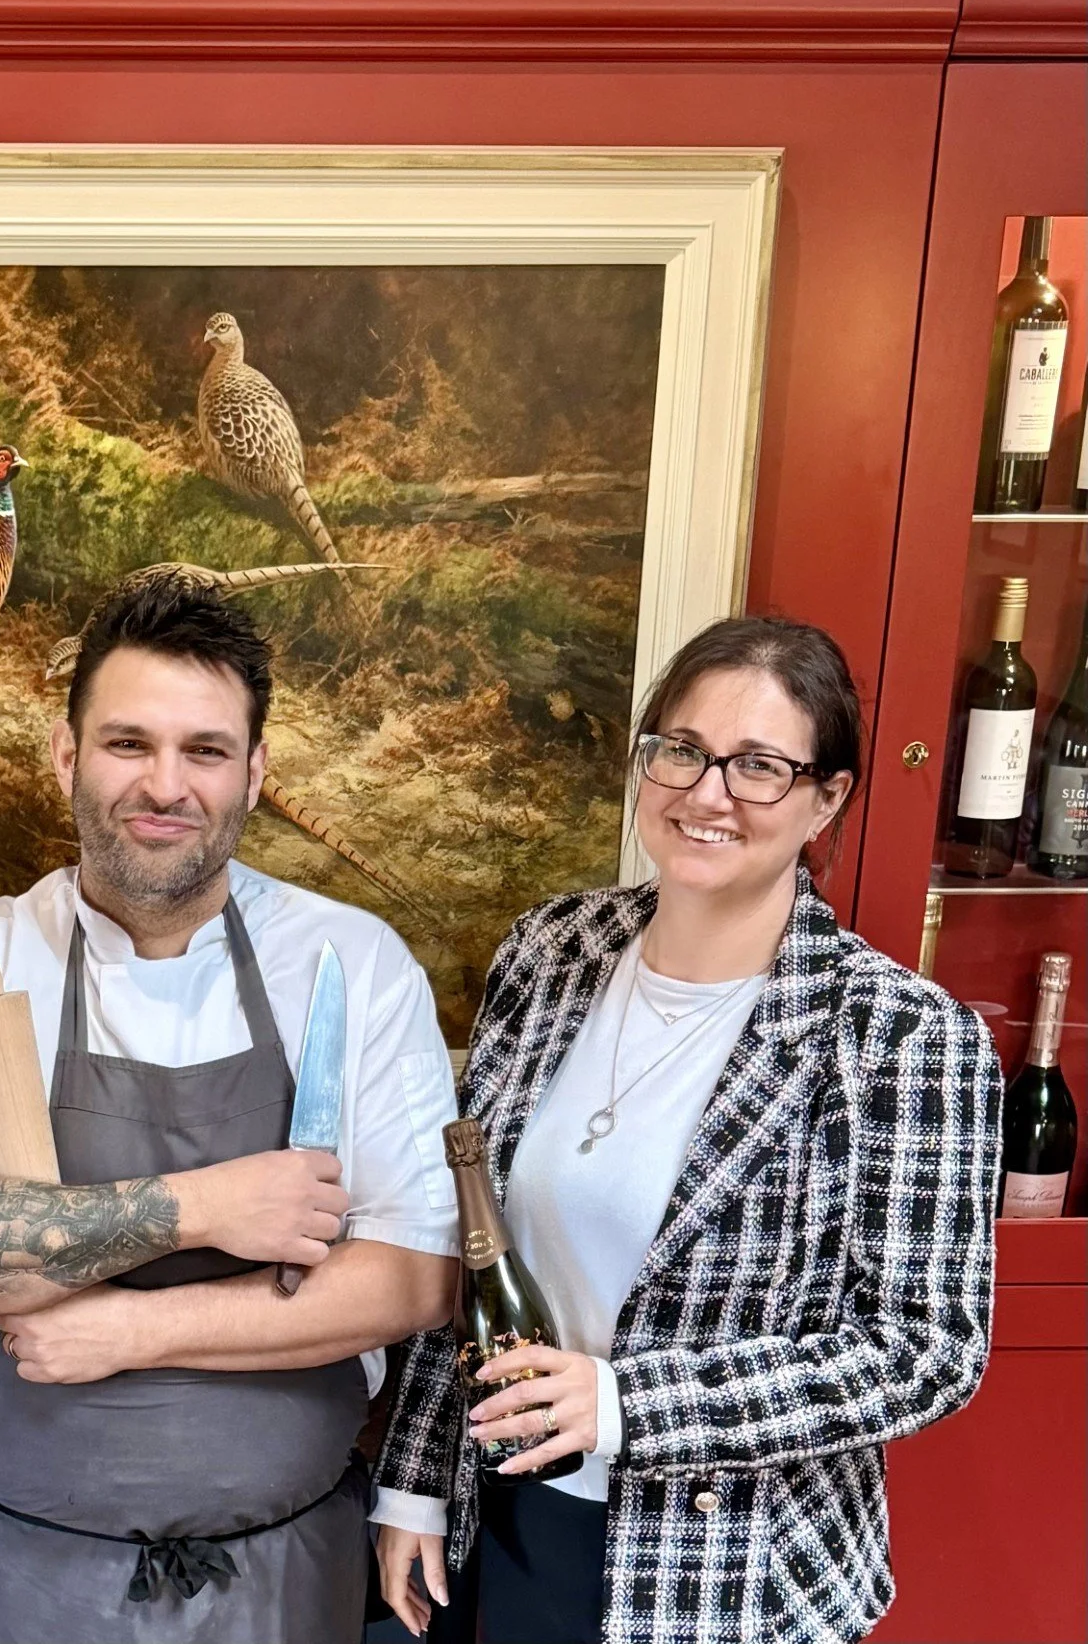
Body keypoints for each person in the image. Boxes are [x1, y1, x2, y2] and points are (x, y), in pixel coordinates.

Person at [0, 573, 459, 1643]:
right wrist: (205, 1208)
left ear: (255, 773)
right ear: (63, 752)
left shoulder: (352, 963)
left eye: (206, 751)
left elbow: (414, 1275)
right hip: (26, 1581)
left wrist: (128, 1328)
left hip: (288, 1582)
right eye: (127, 742)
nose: (164, 784)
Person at [372, 617, 1002, 1644]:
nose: (706, 793)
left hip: (724, 1571)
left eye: (757, 766)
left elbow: (924, 1349)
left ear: (825, 798)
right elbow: (474, 1249)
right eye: (682, 749)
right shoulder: (551, 949)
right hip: (506, 1520)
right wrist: (414, 1485)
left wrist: (627, 1405)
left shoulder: (902, 1038)